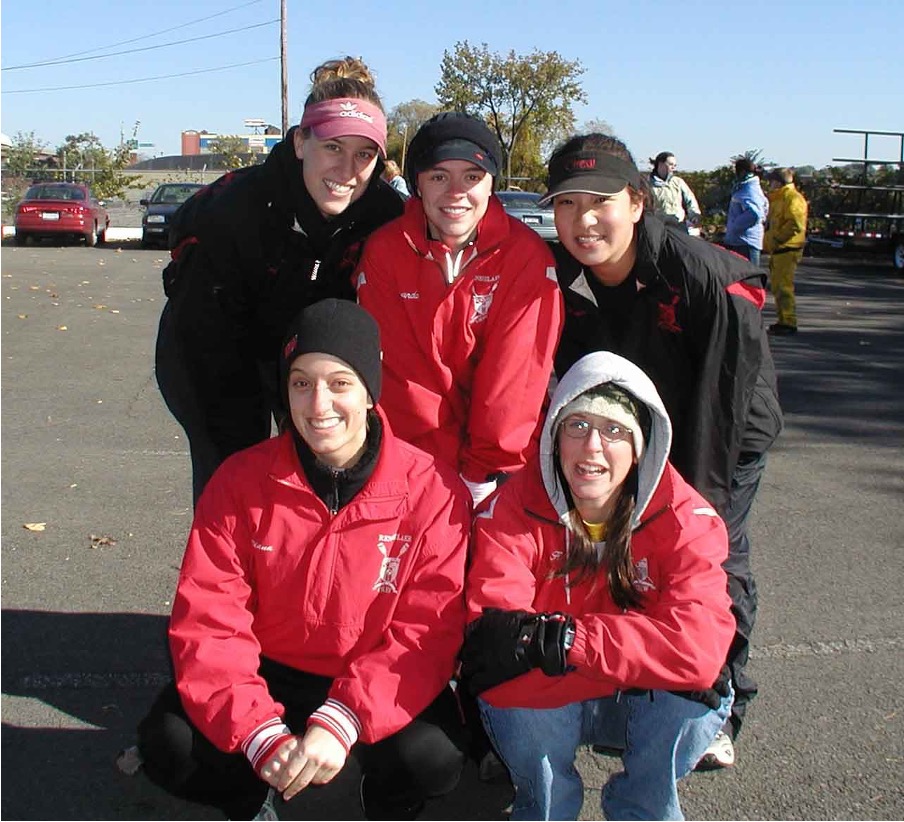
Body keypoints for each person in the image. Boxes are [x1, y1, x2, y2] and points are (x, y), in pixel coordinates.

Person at [131, 299, 472, 820]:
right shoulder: (240, 482)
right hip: (269, 671)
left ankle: (379, 800)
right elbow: (209, 622)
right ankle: (251, 799)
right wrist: (258, 732)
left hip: (370, 671)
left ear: (369, 389)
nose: (318, 405)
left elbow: (427, 633)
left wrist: (344, 719)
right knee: (167, 743)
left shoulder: (434, 492)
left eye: (339, 383)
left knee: (433, 758)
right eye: (301, 383)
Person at [544, 132, 783, 770]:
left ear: (638, 200)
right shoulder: (567, 274)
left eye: (600, 200)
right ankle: (639, 683)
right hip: (641, 428)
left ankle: (721, 702)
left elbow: (719, 407)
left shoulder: (705, 280)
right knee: (625, 548)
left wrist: (695, 505)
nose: (582, 219)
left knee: (709, 552)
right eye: (566, 204)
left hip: (721, 430)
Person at [460, 351, 735, 820]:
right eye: (577, 426)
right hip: (565, 691)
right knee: (505, 682)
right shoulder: (508, 508)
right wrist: (646, 651)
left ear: (643, 446)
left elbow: (700, 651)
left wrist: (568, 640)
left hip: (609, 689)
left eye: (614, 431)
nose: (591, 448)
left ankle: (643, 807)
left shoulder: (688, 519)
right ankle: (546, 807)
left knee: (700, 699)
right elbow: (496, 636)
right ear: (554, 436)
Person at [155, 56, 404, 504]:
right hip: (211, 346)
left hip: (307, 353)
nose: (347, 171)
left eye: (364, 154)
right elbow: (204, 340)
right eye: (333, 148)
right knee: (236, 479)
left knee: (321, 469)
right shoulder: (234, 209)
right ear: (300, 142)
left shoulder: (385, 213)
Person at [356, 111, 564, 508]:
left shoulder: (526, 256)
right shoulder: (385, 252)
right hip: (414, 461)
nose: (456, 192)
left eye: (471, 176)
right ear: (416, 183)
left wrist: (481, 473)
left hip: (501, 470)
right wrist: (429, 472)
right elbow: (401, 378)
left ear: (491, 184)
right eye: (438, 176)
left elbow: (514, 379)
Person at [764, 167, 808, 336]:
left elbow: (795, 225)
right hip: (779, 249)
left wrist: (776, 240)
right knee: (778, 286)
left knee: (783, 287)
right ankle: (783, 320)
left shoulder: (792, 198)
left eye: (772, 180)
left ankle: (788, 322)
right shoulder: (780, 198)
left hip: (787, 248)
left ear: (779, 181)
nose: (770, 184)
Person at [724, 157, 769, 265]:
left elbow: (755, 214)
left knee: (748, 279)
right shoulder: (747, 187)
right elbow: (765, 206)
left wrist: (735, 226)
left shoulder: (749, 189)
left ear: (742, 172)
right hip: (742, 241)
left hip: (745, 243)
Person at [648, 151, 701, 232]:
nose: (673, 167)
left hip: (679, 226)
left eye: (674, 165)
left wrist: (694, 215)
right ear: (660, 164)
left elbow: (690, 200)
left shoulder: (678, 182)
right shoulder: (648, 184)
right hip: (659, 227)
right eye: (670, 164)